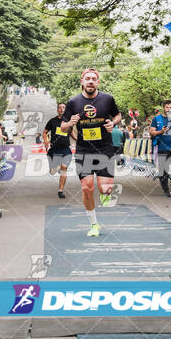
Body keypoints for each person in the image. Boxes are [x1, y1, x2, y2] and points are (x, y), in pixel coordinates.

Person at [61, 68, 122, 237]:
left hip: (105, 149)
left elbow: (118, 116)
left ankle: (105, 194)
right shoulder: (73, 102)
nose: (90, 81)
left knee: (105, 189)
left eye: (93, 79)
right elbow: (62, 126)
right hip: (84, 150)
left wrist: (113, 123)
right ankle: (94, 224)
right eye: (87, 78)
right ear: (82, 81)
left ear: (98, 82)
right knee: (87, 188)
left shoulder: (107, 99)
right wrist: (70, 122)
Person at [150, 100, 171, 197]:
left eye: (170, 107)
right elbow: (152, 132)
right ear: (163, 108)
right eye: (167, 107)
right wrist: (161, 131)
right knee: (163, 170)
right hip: (162, 147)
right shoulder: (156, 119)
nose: (168, 109)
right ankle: (166, 190)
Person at [44, 102, 77, 198]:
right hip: (54, 150)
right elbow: (45, 133)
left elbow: (72, 133)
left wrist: (79, 141)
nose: (62, 109)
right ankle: (55, 167)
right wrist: (46, 141)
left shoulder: (68, 122)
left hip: (66, 149)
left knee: (64, 168)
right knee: (53, 172)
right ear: (57, 110)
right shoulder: (52, 121)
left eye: (63, 108)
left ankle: (60, 190)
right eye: (60, 108)